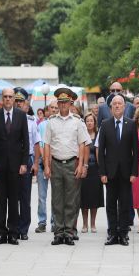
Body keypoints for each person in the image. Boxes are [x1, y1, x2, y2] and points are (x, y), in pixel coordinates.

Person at [43, 88, 90, 245]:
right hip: (56, 163)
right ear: (58, 103)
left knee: (71, 199)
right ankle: (58, 232)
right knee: (57, 200)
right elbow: (47, 145)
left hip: (72, 163)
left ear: (71, 104)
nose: (63, 105)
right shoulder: (51, 122)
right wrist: (47, 166)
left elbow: (82, 144)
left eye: (66, 103)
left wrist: (82, 165)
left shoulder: (77, 122)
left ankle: (69, 232)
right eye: (61, 102)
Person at [0, 88, 30, 245]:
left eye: (10, 97)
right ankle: (1, 233)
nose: (7, 99)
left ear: (14, 99)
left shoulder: (21, 116)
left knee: (13, 200)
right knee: (0, 201)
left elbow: (26, 141)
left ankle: (13, 233)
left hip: (15, 165)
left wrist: (24, 163)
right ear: (2, 98)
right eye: (5, 97)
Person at [97, 94, 138, 246]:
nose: (117, 106)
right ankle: (112, 233)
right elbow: (101, 151)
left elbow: (135, 151)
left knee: (125, 204)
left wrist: (134, 172)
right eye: (114, 104)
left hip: (127, 173)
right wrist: (102, 172)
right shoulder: (105, 124)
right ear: (111, 107)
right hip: (110, 172)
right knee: (111, 205)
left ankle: (123, 234)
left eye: (120, 103)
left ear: (124, 106)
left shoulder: (131, 124)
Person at [12, 87, 41, 241]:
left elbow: (36, 144)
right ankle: (14, 227)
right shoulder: (9, 120)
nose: (18, 104)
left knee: (24, 196)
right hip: (12, 161)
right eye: (16, 101)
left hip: (27, 160)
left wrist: (36, 163)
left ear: (26, 104)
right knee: (13, 196)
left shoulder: (31, 122)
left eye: (21, 101)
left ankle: (24, 229)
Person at [80, 113, 104, 233]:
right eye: (87, 121)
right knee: (83, 197)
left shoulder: (98, 135)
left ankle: (93, 224)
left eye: (91, 121)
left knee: (94, 197)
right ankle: (84, 224)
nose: (89, 123)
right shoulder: (81, 135)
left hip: (95, 169)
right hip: (84, 169)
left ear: (94, 123)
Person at [36, 105, 53, 233]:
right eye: (51, 108)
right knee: (42, 196)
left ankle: (55, 221)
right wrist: (46, 161)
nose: (53, 110)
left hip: (57, 163)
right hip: (43, 162)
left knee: (56, 196)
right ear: (47, 111)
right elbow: (40, 144)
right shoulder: (41, 125)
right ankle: (42, 222)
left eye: (55, 107)